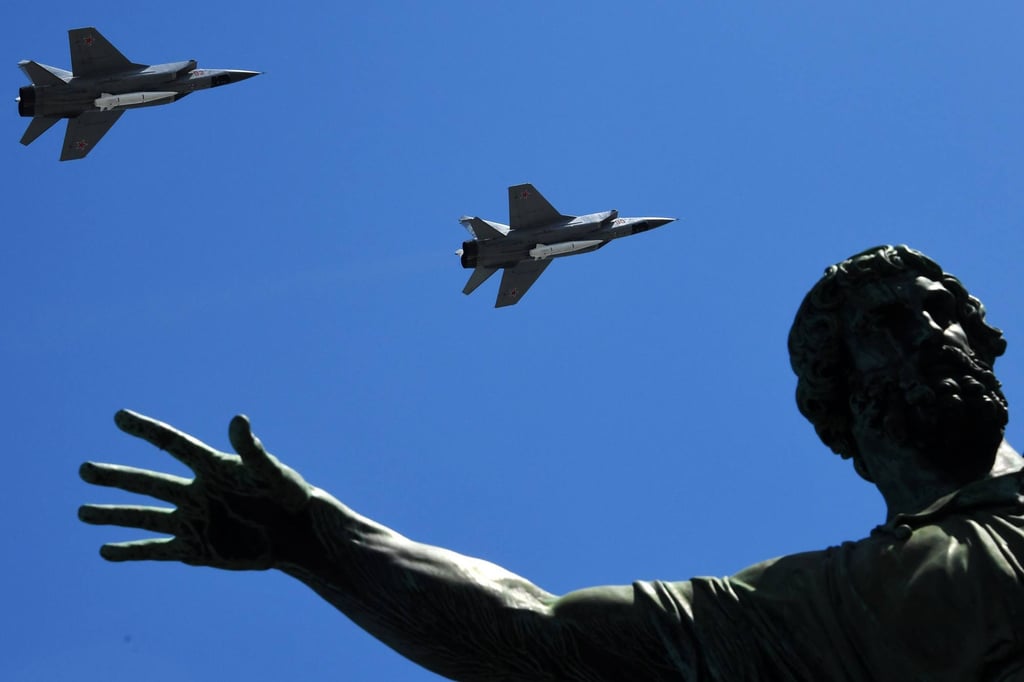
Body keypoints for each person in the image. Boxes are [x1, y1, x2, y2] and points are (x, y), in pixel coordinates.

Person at [79, 245, 1024, 680]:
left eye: (948, 312)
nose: (937, 334)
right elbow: (541, 637)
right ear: (843, 407)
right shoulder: (829, 612)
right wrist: (317, 541)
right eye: (890, 326)